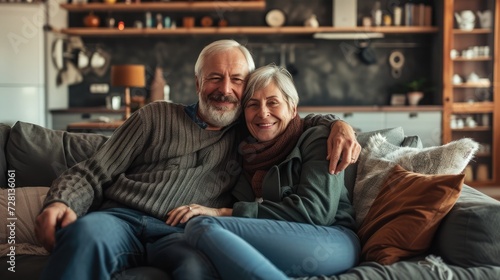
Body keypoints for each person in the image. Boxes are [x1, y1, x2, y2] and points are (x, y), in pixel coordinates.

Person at [34, 39, 360, 279]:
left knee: (197, 270)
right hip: (121, 219)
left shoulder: (249, 132)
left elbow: (292, 121)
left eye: (237, 80)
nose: (225, 89)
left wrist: (338, 124)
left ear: (247, 89)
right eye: (215, 77)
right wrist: (60, 201)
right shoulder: (154, 116)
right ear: (198, 83)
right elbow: (94, 170)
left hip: (182, 234)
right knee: (85, 236)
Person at [167, 65, 360, 279]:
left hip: (331, 241)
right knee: (191, 250)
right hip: (276, 239)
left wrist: (223, 212)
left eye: (273, 102)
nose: (263, 113)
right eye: (253, 104)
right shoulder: (241, 149)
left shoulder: (317, 139)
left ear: (292, 108)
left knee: (201, 227)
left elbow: (315, 212)